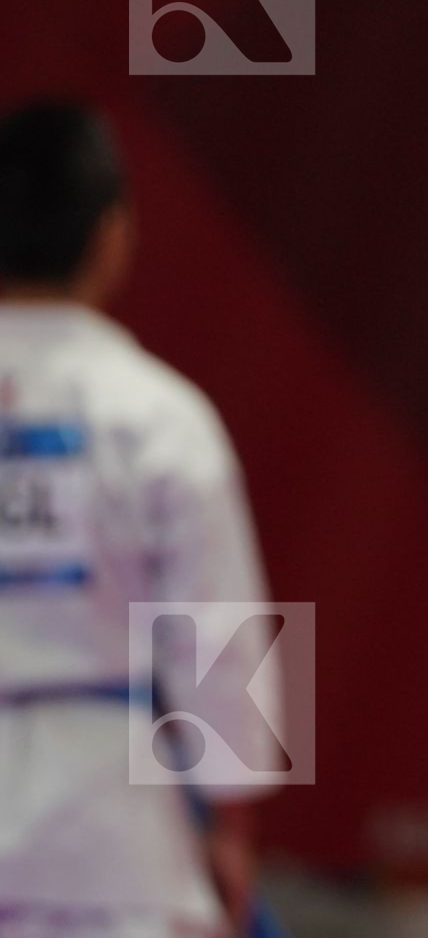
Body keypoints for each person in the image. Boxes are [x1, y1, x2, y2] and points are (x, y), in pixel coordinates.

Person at [0, 100, 279, 936]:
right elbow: (217, 633)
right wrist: (232, 824)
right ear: (111, 237)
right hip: (110, 840)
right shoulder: (157, 415)